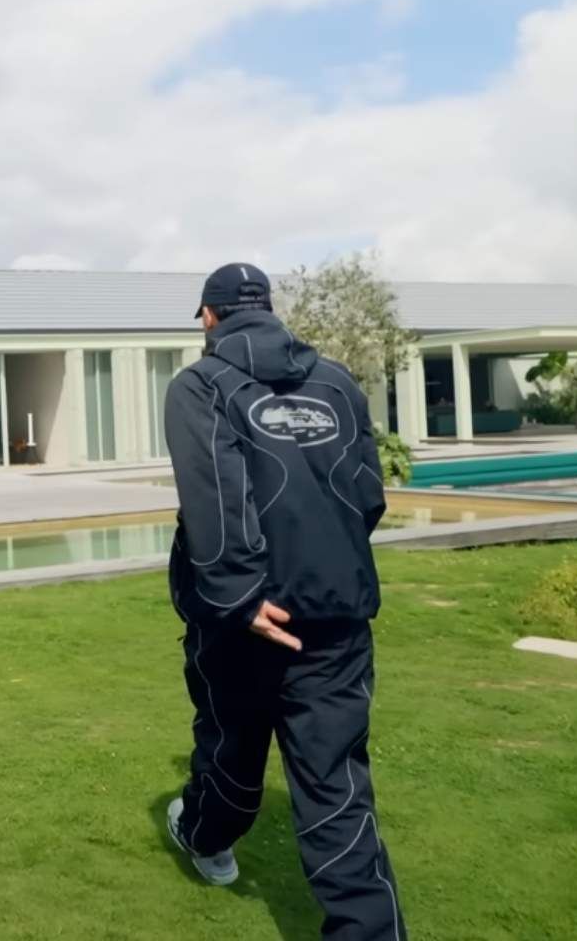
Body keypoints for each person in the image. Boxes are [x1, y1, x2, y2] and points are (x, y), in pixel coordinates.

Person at [160, 263, 406, 940]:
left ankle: (207, 839)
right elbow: (367, 494)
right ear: (269, 309)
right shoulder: (337, 382)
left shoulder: (198, 386)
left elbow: (215, 498)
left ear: (209, 318)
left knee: (233, 750)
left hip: (246, 622)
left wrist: (241, 596)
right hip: (339, 613)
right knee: (337, 790)